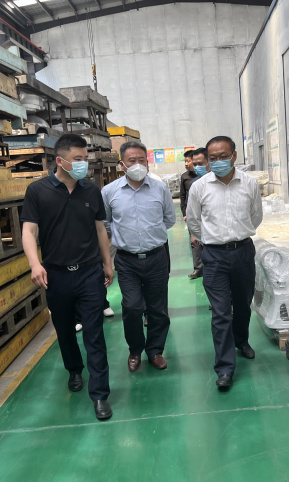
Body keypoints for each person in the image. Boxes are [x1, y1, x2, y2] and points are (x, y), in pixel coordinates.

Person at [20, 134, 114, 420]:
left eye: (86, 158)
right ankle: (74, 369)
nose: (84, 164)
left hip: (89, 272)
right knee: (64, 329)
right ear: (60, 161)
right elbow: (28, 231)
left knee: (95, 333)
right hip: (56, 275)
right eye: (78, 159)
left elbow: (100, 229)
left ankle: (100, 394)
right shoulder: (37, 191)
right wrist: (35, 264)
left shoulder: (91, 191)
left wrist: (107, 262)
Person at [186, 136, 263, 390]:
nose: (218, 161)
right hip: (214, 256)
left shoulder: (249, 184)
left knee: (243, 304)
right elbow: (193, 220)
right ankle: (225, 367)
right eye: (213, 158)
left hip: (243, 252)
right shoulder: (200, 187)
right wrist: (210, 240)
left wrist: (238, 235)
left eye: (223, 156)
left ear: (234, 156)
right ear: (208, 161)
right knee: (220, 312)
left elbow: (256, 216)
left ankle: (242, 341)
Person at [102, 141, 176, 372]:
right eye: (131, 160)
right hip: (127, 260)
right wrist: (126, 237)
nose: (137, 164)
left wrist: (150, 235)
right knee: (132, 307)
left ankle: (155, 351)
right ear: (122, 164)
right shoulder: (109, 191)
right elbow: (106, 223)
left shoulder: (160, 188)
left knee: (158, 309)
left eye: (141, 160)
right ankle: (135, 350)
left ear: (147, 162)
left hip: (156, 257)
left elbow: (169, 219)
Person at [179, 149, 202, 279]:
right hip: (191, 214)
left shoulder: (204, 176)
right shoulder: (185, 177)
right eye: (185, 161)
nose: (186, 164)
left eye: (188, 161)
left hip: (204, 214)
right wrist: (185, 213)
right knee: (194, 242)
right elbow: (183, 197)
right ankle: (198, 268)